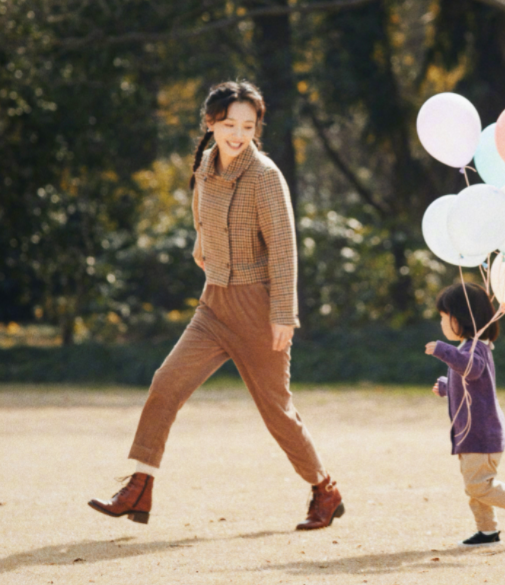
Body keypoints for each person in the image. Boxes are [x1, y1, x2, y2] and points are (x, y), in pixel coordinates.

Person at [88, 81, 344, 530]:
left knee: (276, 412)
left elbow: (284, 249)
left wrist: (283, 314)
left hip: (257, 308)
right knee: (166, 383)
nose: (238, 134)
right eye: (229, 124)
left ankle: (325, 488)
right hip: (213, 303)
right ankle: (140, 485)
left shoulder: (265, 176)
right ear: (210, 123)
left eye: (248, 126)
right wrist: (201, 241)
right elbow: (202, 207)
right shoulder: (206, 163)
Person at [424, 282, 505, 546]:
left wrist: (444, 350)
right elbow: (469, 384)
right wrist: (446, 387)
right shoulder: (468, 347)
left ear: (461, 318)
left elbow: (472, 370)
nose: (441, 323)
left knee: (478, 486)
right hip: (471, 431)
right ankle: (488, 531)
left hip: (482, 432)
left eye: (444, 317)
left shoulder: (475, 348)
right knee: (476, 485)